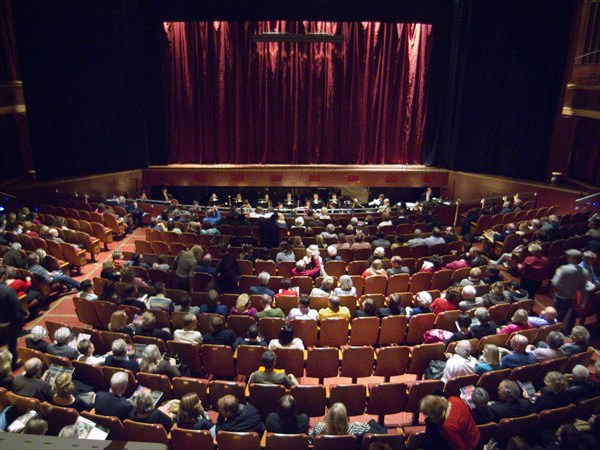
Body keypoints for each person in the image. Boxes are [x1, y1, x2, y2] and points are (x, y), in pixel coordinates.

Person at [552, 249, 588, 333]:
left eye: (569, 256)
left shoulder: (564, 269)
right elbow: (582, 288)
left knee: (556, 315)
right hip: (571, 298)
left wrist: (557, 273)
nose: (567, 257)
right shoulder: (584, 272)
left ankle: (553, 330)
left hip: (560, 296)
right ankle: (560, 330)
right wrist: (583, 301)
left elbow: (555, 282)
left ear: (573, 258)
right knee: (565, 315)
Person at [0, 266, 26, 370]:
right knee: (11, 343)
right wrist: (23, 317)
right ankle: (13, 364)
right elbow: (17, 306)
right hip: (8, 321)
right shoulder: (7, 290)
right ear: (3, 276)